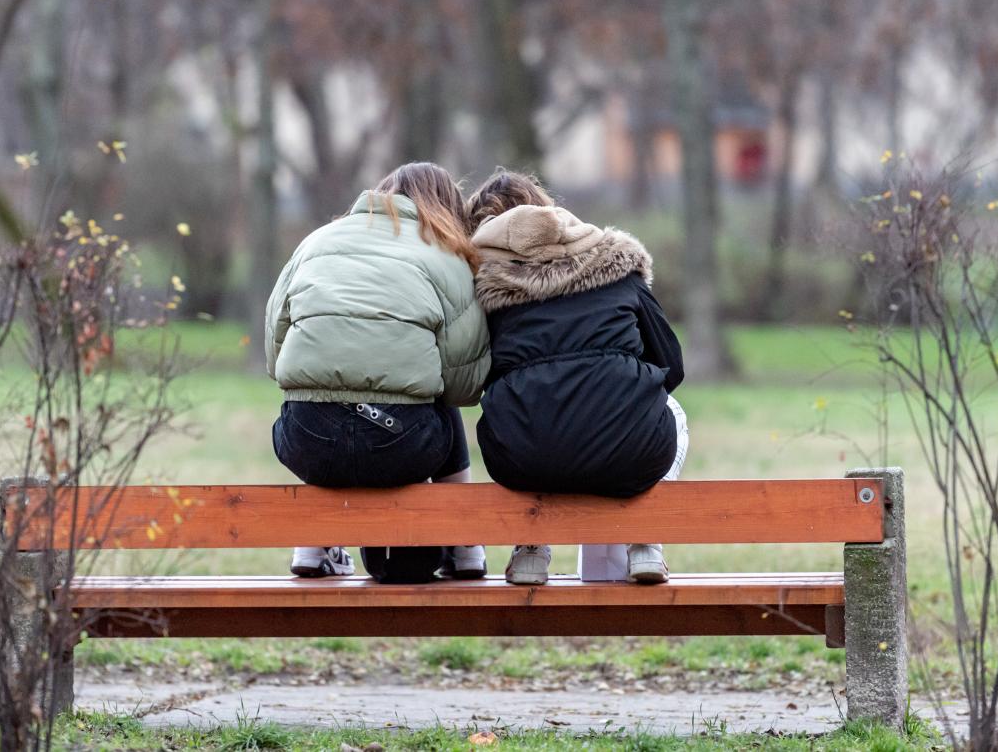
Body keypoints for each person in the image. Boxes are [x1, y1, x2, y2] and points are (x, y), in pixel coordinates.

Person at [265, 162, 492, 581]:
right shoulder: (446, 256)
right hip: (401, 443)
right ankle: (466, 545)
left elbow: (274, 349)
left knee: (318, 397)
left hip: (308, 440)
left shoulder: (315, 242)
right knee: (443, 400)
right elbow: (464, 383)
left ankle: (313, 547)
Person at [466, 170, 687, 585]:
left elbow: (471, 376)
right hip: (629, 449)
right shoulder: (615, 264)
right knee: (664, 411)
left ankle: (530, 548)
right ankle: (645, 540)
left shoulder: (485, 287)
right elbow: (671, 365)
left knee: (529, 418)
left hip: (524, 458)